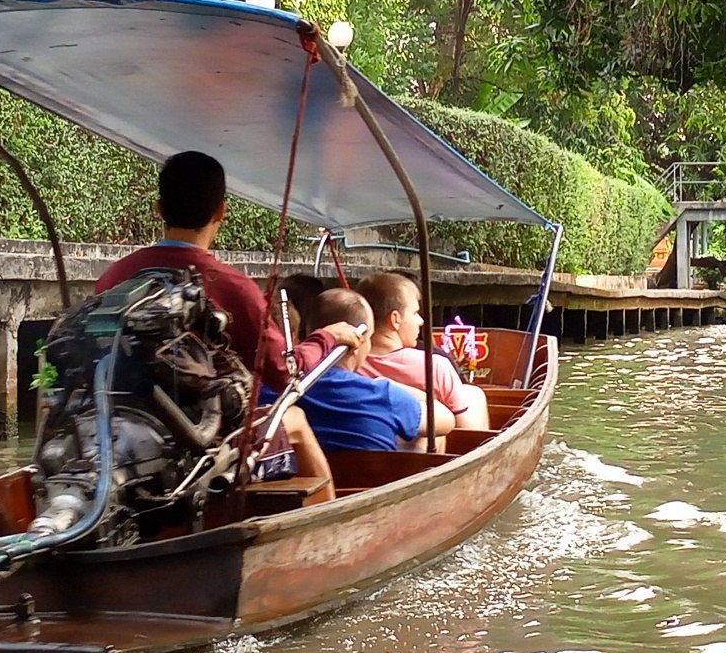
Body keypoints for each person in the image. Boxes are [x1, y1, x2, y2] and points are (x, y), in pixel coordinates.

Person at [96, 151, 352, 488]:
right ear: (221, 211)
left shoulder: (114, 277)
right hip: (207, 443)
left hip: (115, 434)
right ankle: (327, 530)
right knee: (297, 420)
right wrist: (329, 336)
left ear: (159, 209)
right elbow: (283, 372)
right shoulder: (232, 286)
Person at [296, 288, 454, 453]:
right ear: (357, 342)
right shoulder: (382, 394)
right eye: (370, 338)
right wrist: (388, 384)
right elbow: (446, 420)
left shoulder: (279, 390)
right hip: (382, 478)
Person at [355, 270, 491, 430]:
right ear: (395, 319)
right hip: (429, 450)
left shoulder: (346, 366)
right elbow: (467, 434)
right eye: (415, 313)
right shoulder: (435, 366)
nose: (421, 321)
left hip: (365, 444)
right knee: (475, 394)